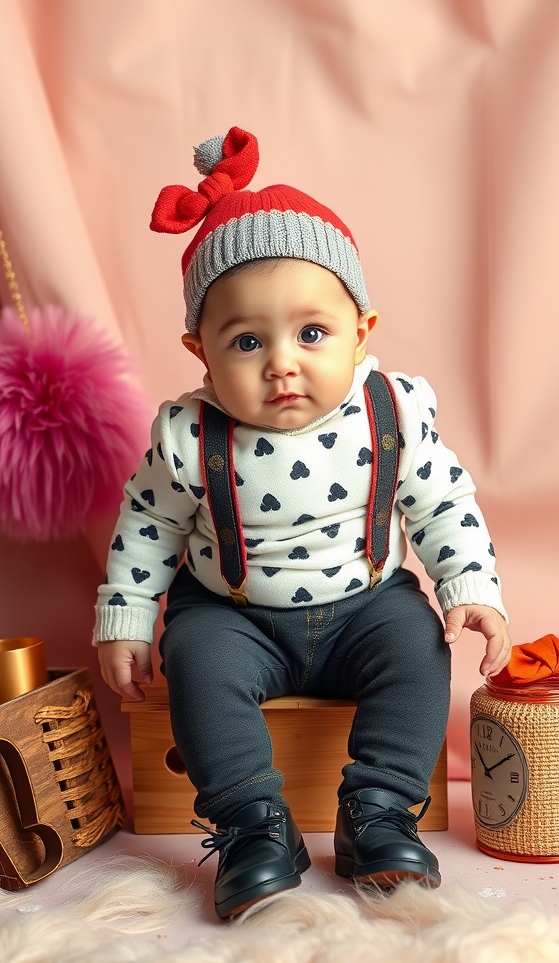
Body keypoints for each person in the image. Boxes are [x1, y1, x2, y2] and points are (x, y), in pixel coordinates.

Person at [94, 126, 511, 919]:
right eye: (247, 341)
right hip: (233, 612)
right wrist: (127, 615)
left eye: (311, 333)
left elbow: (443, 501)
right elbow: (147, 525)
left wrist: (471, 585)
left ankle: (379, 812)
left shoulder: (390, 411)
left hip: (366, 604)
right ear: (201, 353)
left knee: (418, 650)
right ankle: (254, 825)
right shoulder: (190, 434)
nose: (282, 362)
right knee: (198, 664)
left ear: (362, 330)